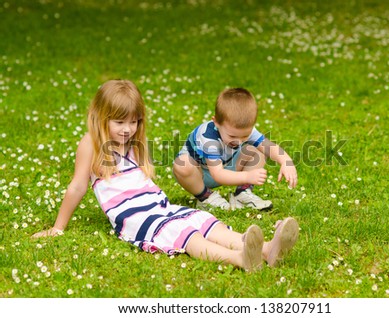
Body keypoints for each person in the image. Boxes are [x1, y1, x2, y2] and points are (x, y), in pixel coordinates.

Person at [32, 80, 299, 272]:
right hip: (134, 217)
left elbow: (142, 182)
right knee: (188, 236)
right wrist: (58, 228)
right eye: (119, 122)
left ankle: (265, 249)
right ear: (101, 118)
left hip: (159, 206)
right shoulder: (90, 144)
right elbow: (78, 186)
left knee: (205, 221)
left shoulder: (134, 143)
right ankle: (240, 258)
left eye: (134, 121)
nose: (128, 129)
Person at [173, 87, 298, 211]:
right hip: (200, 174)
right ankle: (205, 197)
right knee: (182, 164)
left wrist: (286, 162)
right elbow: (218, 175)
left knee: (257, 150)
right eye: (232, 136)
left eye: (244, 136)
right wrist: (247, 176)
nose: (238, 141)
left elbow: (269, 147)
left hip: (227, 166)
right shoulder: (208, 138)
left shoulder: (242, 130)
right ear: (216, 122)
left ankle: (242, 193)